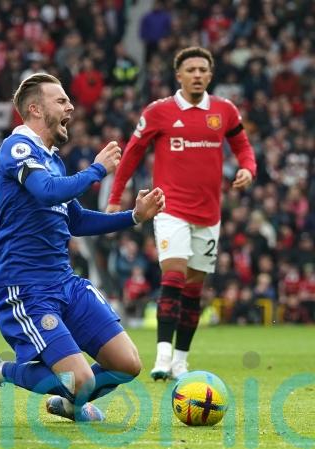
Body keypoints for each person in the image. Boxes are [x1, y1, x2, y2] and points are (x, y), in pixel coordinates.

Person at [0, 73, 165, 421]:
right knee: (81, 380)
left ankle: (71, 404)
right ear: (35, 109)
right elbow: (47, 192)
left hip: (65, 281)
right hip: (27, 287)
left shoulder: (53, 160)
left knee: (127, 364)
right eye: (61, 101)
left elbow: (76, 220)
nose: (70, 106)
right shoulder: (17, 149)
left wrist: (134, 216)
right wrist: (97, 170)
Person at [106, 47, 257, 381]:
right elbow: (132, 153)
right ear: (179, 75)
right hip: (170, 208)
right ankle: (162, 356)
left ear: (211, 74)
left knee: (193, 290)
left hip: (209, 214)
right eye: (191, 70)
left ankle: (180, 361)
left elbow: (243, 146)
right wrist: (116, 198)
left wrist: (248, 168)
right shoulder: (159, 111)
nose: (197, 75)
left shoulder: (224, 110)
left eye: (203, 69)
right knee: (173, 276)